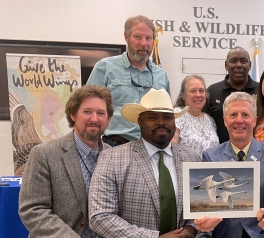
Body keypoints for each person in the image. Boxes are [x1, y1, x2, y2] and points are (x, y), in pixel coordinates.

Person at [89, 89, 218, 237]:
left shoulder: (192, 158)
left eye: (167, 117)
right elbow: (100, 216)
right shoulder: (112, 158)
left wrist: (192, 228)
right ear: (139, 121)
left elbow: (199, 209)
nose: (161, 122)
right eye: (152, 117)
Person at [19, 85, 113, 237]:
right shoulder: (44, 154)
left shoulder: (115, 156)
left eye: (101, 113)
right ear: (73, 115)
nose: (94, 118)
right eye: (87, 111)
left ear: (108, 119)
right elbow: (33, 210)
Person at [202, 92, 264, 238]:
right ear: (225, 121)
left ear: (254, 120)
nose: (239, 120)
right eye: (233, 115)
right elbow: (207, 201)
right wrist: (203, 222)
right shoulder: (210, 157)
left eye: (245, 114)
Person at [87, 15, 170, 147]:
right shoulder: (105, 68)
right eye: (138, 37)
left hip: (152, 148)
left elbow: (167, 115)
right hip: (115, 145)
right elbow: (88, 107)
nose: (144, 43)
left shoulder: (161, 75)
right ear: (126, 37)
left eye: (148, 38)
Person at [205, 46, 259, 144]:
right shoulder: (212, 91)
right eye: (233, 61)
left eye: (243, 61)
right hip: (219, 155)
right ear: (226, 65)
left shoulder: (261, 90)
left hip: (256, 154)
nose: (239, 65)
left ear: (250, 65)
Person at [172, 74, 219, 155]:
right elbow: (172, 149)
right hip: (185, 167)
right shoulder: (176, 115)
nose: (198, 95)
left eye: (201, 91)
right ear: (183, 96)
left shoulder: (210, 120)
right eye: (193, 91)